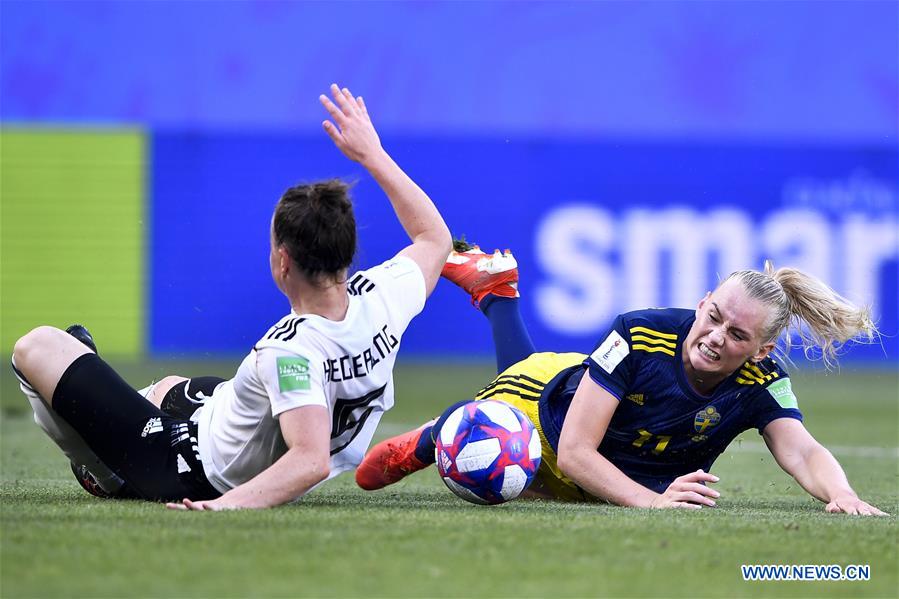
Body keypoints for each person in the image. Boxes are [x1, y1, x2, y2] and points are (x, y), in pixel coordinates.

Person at [11, 83, 452, 510]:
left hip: (187, 467)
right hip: (225, 418)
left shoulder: (291, 352)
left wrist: (225, 506)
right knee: (168, 389)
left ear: (283, 261)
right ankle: (107, 414)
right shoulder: (382, 296)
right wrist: (373, 154)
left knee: (36, 348)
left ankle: (103, 473)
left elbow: (310, 460)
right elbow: (434, 240)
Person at [356, 241, 888, 516]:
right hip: (544, 415)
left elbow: (803, 451)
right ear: (702, 302)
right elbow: (574, 454)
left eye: (737, 335)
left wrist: (841, 493)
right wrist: (651, 502)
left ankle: (498, 293)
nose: (715, 337)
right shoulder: (638, 333)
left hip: (611, 475)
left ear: (762, 350)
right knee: (451, 450)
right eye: (713, 317)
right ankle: (442, 430)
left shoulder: (762, 381)